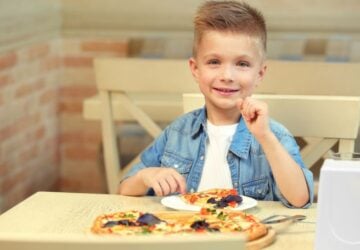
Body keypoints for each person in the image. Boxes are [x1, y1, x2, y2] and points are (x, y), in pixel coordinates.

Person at [118, 0, 314, 208]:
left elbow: (299, 199)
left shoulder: (272, 135)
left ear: (260, 73)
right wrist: (146, 176)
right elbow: (125, 189)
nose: (227, 76)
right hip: (187, 234)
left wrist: (265, 138)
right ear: (195, 69)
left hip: (247, 236)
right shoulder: (178, 132)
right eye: (214, 62)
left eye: (242, 64)